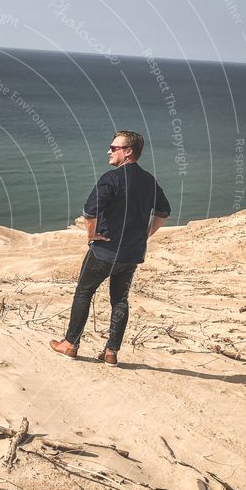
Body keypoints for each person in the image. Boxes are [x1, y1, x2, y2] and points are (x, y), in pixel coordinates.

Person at [50, 131, 171, 367]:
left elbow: (89, 212)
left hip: (104, 252)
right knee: (120, 301)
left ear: (128, 152)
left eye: (114, 148)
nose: (109, 151)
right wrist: (145, 236)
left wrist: (91, 235)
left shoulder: (111, 179)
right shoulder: (148, 180)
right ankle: (111, 352)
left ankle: (70, 344)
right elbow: (163, 212)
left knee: (84, 293)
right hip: (132, 254)